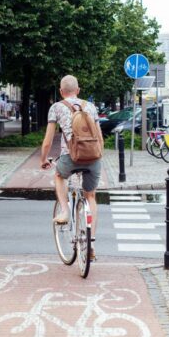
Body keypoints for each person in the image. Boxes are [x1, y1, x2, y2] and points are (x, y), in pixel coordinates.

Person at [40, 75, 103, 260]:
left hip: (70, 157)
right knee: (90, 196)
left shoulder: (56, 107)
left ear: (61, 91)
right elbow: (99, 137)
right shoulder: (91, 107)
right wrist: (98, 156)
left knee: (59, 176)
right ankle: (90, 243)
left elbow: (48, 141)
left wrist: (44, 159)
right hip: (93, 157)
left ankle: (65, 210)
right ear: (78, 90)